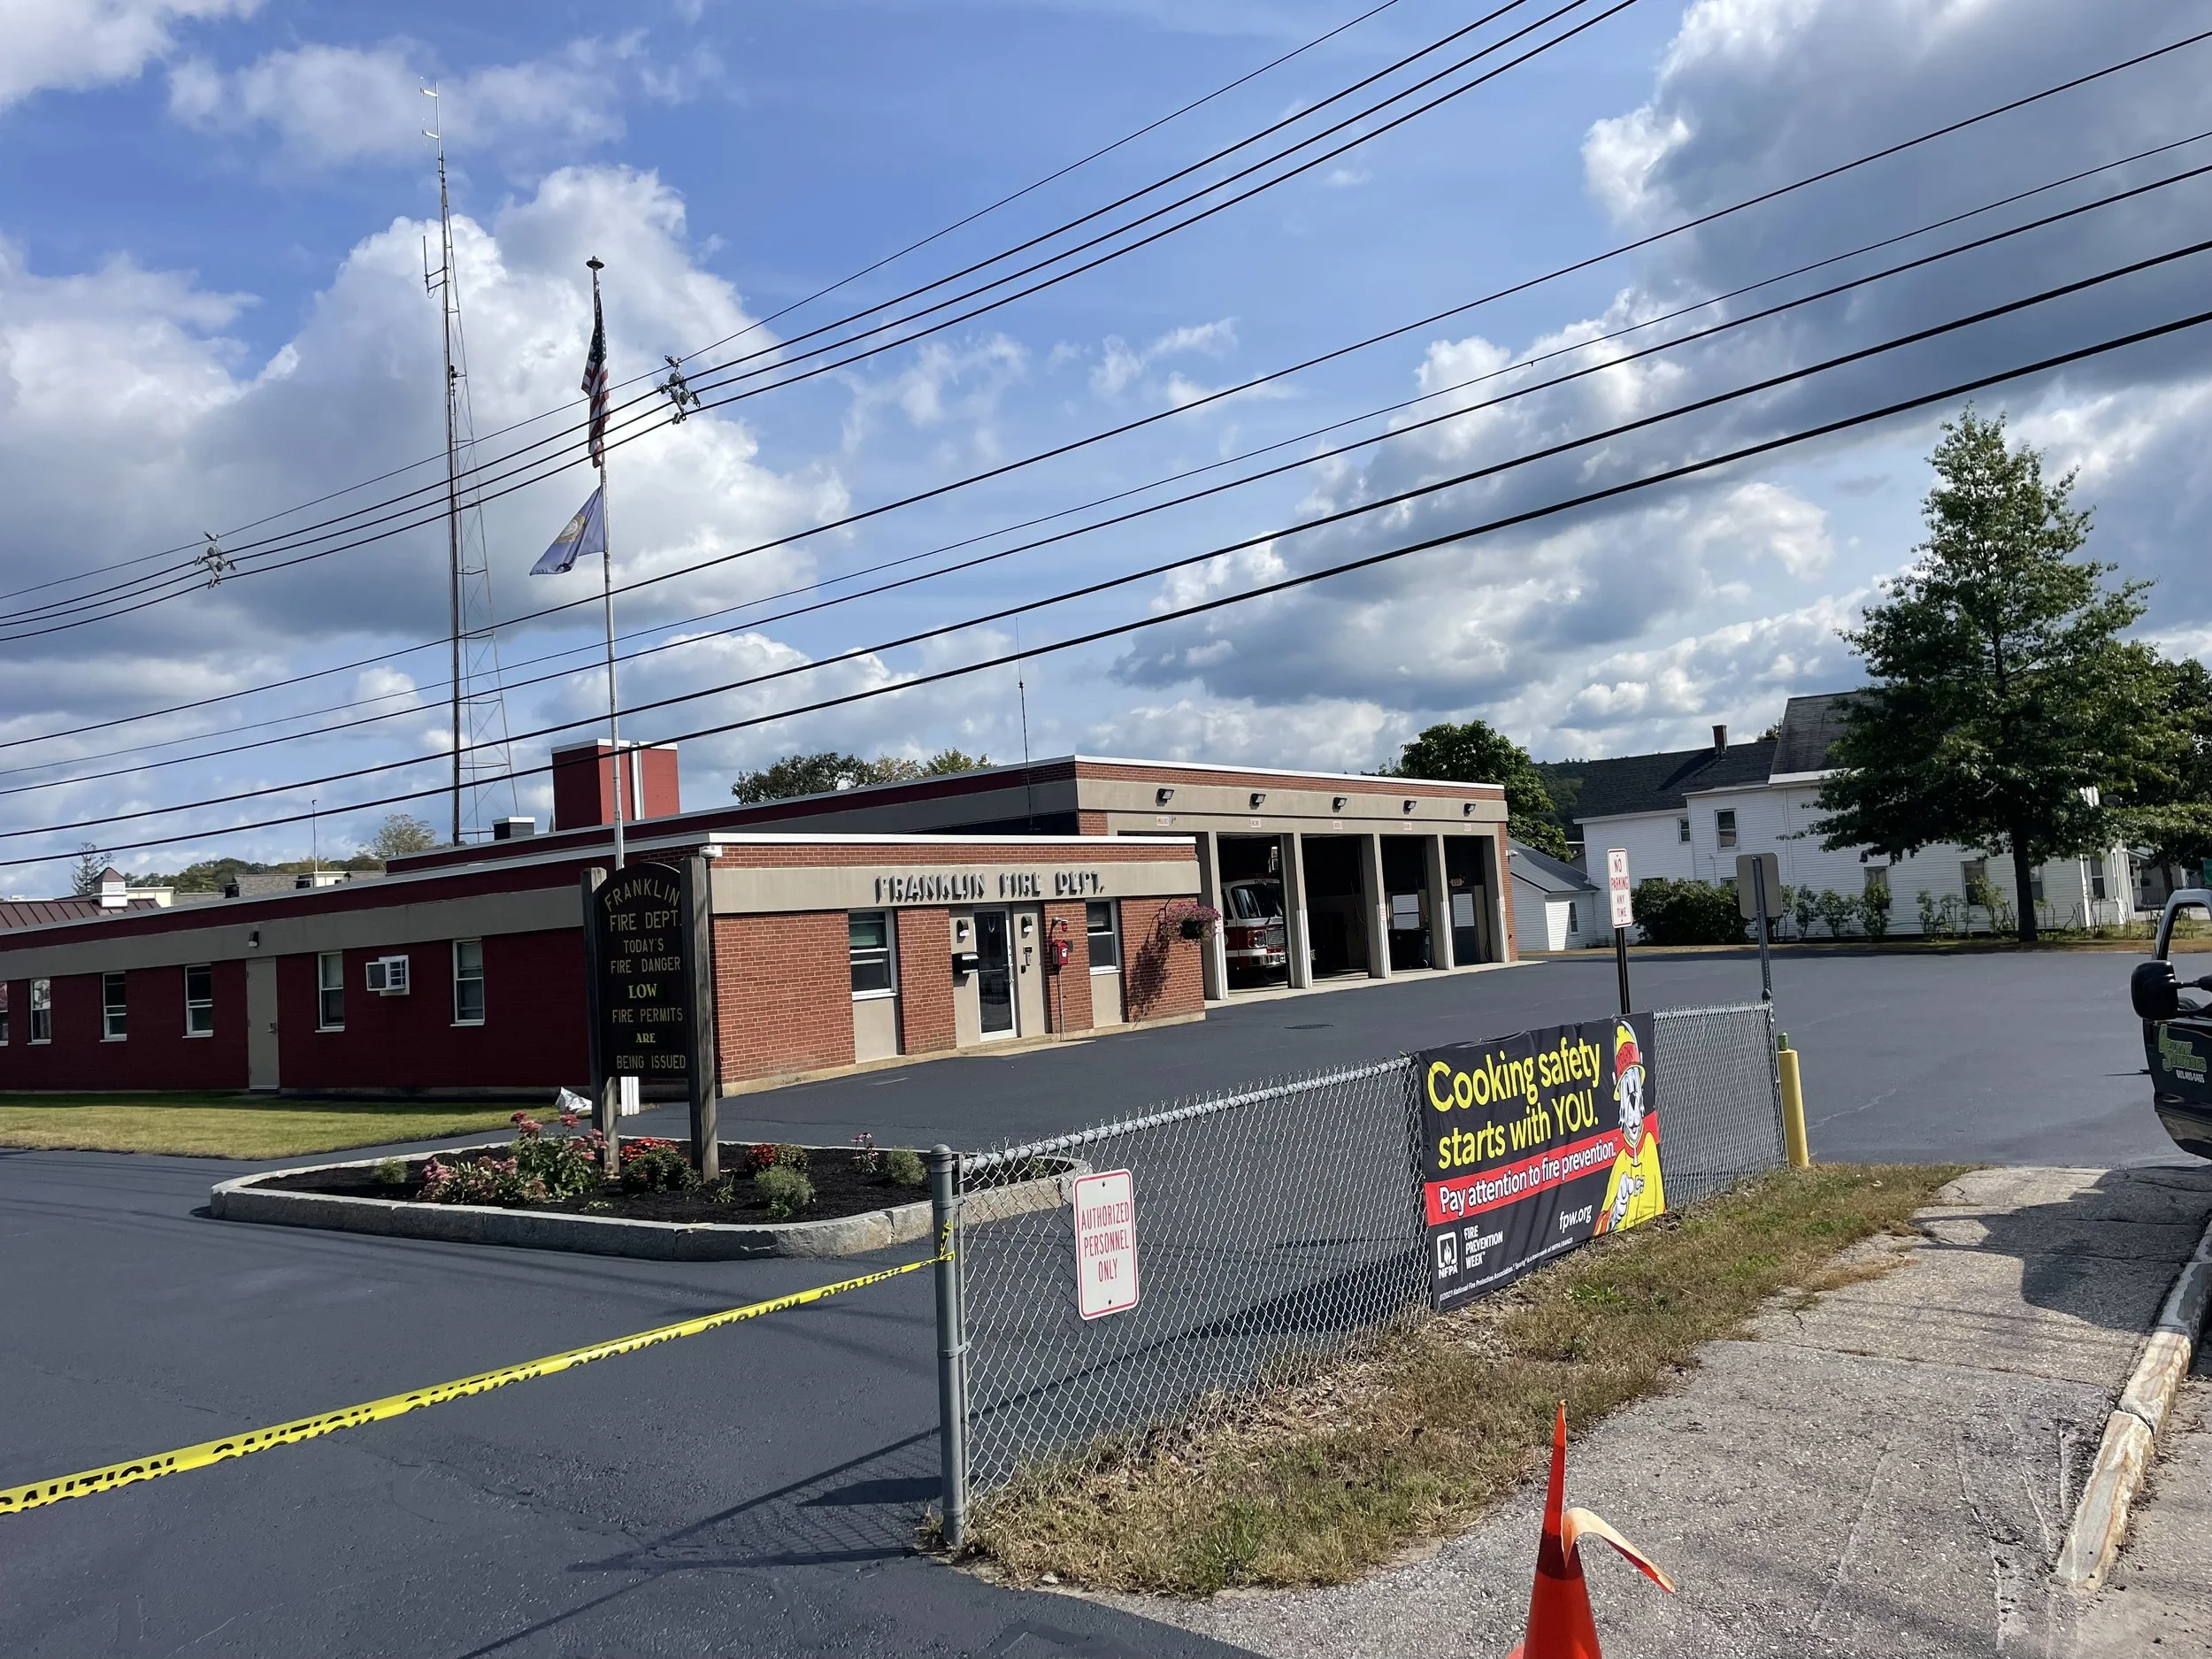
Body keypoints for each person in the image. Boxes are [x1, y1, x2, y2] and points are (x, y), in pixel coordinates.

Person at [1594, 1022, 1664, 1234]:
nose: (1634, 1113)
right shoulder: (1620, 1163)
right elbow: (1600, 1225)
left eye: (1637, 1099)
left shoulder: (1650, 1148)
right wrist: (1616, 1213)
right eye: (1628, 1100)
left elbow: (1658, 1205)